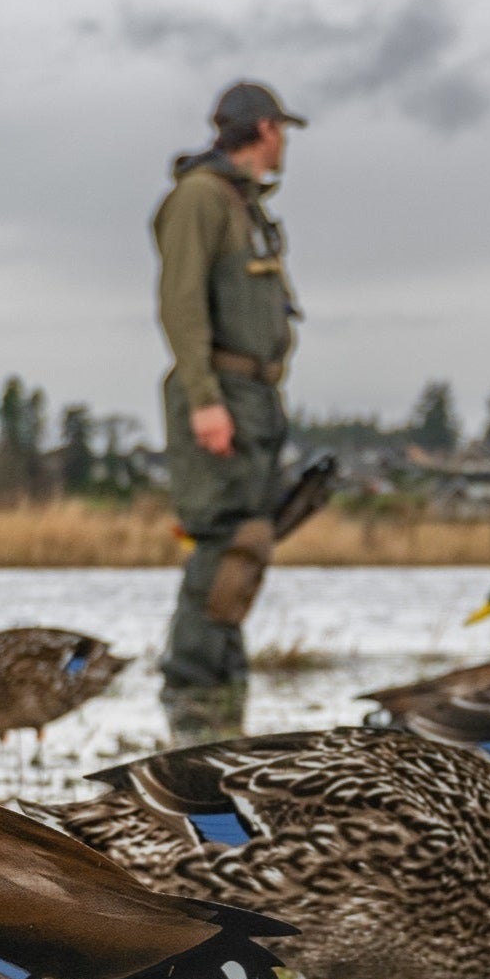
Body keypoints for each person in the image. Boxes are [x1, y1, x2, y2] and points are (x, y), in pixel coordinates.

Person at [151, 78, 305, 739]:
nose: (284, 145)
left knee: (248, 541)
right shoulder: (200, 198)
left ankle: (224, 697)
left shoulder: (244, 205)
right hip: (219, 389)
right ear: (264, 129)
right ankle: (191, 702)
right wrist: (205, 402)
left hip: (253, 393)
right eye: (281, 132)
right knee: (220, 540)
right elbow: (180, 303)